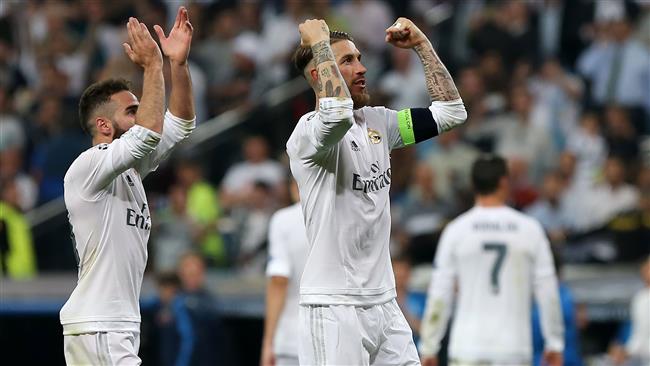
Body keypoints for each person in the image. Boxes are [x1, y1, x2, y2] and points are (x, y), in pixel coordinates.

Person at [287, 17, 467, 365]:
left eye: (359, 58)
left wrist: (421, 46)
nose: (361, 68)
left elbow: (451, 113)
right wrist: (319, 44)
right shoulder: (308, 135)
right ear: (318, 75)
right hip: (334, 305)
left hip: (384, 303)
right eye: (347, 61)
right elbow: (336, 115)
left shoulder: (379, 123)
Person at [59, 7, 195, 365]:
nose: (141, 116)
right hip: (102, 323)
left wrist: (176, 65)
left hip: (108, 323)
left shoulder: (131, 170)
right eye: (130, 111)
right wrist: (152, 66)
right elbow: (148, 133)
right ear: (104, 126)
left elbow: (179, 123)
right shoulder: (89, 166)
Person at [419, 155, 564, 366]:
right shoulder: (529, 229)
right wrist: (554, 342)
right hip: (513, 349)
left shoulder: (456, 230)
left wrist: (429, 346)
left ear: (473, 184)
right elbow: (548, 291)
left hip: (467, 347)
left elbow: (440, 293)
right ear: (504, 182)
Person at [260, 180, 309, 366]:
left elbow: (279, 281)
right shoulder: (346, 214)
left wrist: (268, 342)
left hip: (294, 338)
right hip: (342, 336)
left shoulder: (284, 220)